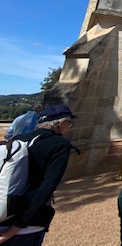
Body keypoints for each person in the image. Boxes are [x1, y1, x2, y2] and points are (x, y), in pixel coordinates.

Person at [0, 104, 78, 246]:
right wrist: (15, 228)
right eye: (69, 123)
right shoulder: (60, 145)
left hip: (5, 213)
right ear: (61, 123)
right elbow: (46, 188)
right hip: (27, 225)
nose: (69, 127)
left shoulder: (19, 139)